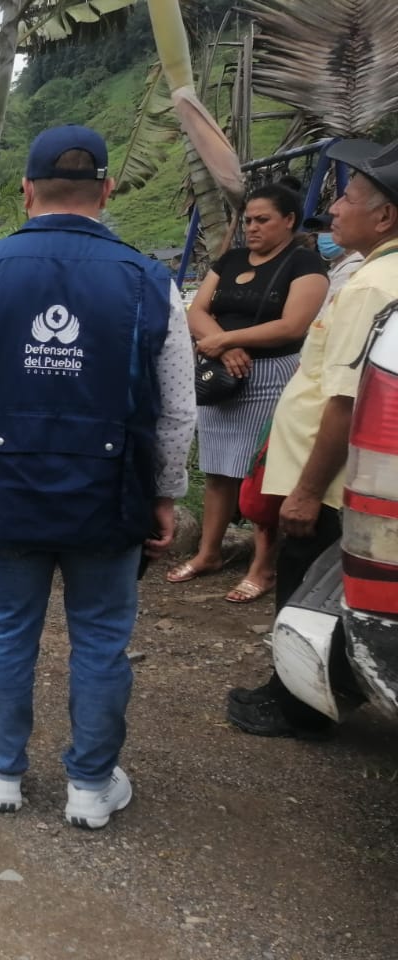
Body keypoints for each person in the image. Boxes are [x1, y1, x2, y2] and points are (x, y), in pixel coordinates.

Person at [0, 125, 196, 828]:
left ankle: (0, 771)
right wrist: (166, 491)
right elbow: (178, 405)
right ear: (108, 191)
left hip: (4, 488)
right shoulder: (152, 281)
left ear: (26, 191)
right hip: (111, 494)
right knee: (101, 638)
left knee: (6, 630)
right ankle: (90, 784)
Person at [227, 138, 398, 738]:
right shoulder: (373, 273)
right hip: (340, 476)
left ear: (385, 215)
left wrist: (304, 490)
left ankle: (296, 704)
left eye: (348, 198)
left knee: (306, 592)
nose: (336, 210)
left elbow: (347, 401)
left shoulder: (373, 286)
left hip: (325, 483)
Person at [167, 183, 328, 604]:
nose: (252, 228)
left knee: (264, 475)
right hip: (221, 373)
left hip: (273, 374)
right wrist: (227, 344)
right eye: (250, 220)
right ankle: (208, 553)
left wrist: (227, 340)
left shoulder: (305, 264)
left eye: (263, 220)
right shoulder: (231, 259)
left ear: (289, 221)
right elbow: (196, 310)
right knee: (219, 469)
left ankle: (263, 567)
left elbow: (293, 325)